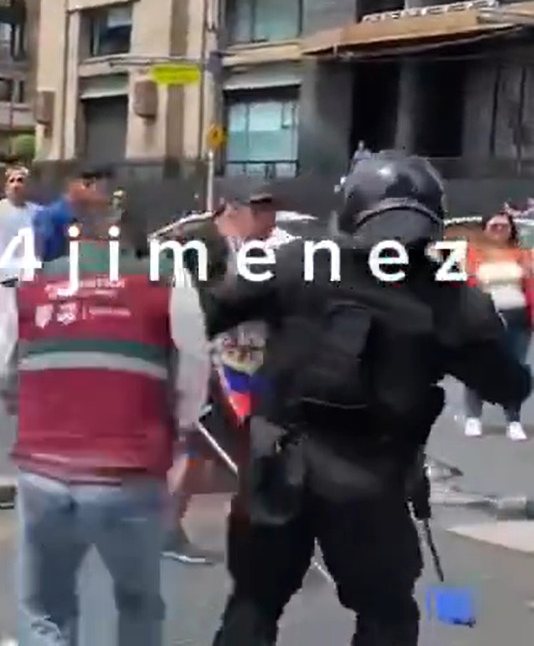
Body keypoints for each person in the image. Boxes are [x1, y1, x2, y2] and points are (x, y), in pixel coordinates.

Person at [203, 151, 531, 646]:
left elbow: (208, 311)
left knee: (253, 603)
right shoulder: (448, 298)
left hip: (277, 464)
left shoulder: (297, 263)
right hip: (370, 479)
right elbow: (508, 385)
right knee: (387, 616)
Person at [11, 213, 210, 646]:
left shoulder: (32, 288)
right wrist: (182, 424)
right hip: (128, 472)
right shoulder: (165, 286)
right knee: (138, 601)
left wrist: (16, 403)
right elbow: (195, 364)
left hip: (42, 472)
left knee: (45, 606)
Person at [167, 183, 297, 564]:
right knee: (202, 453)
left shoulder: (285, 250)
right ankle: (169, 526)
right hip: (222, 363)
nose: (259, 216)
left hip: (262, 362)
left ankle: (256, 534)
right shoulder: (221, 245)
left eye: (266, 208)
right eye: (252, 209)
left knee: (253, 453)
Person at [459, 210, 530, 441]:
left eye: (504, 226)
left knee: (514, 369)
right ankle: (473, 418)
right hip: (483, 319)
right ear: (485, 229)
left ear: (511, 230)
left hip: (517, 318)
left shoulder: (522, 254)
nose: (499, 230)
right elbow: (460, 284)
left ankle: (513, 420)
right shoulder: (471, 254)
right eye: (494, 226)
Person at [0, 167, 41, 404]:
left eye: (21, 180)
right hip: (2, 278)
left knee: (23, 328)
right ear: (5, 186)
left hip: (30, 278)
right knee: (6, 325)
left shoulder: (37, 213)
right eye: (12, 181)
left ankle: (13, 379)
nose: (16, 184)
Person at [32, 166, 115, 263]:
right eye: (88, 184)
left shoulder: (98, 217)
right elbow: (40, 260)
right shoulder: (49, 216)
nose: (94, 190)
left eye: (101, 186)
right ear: (70, 184)